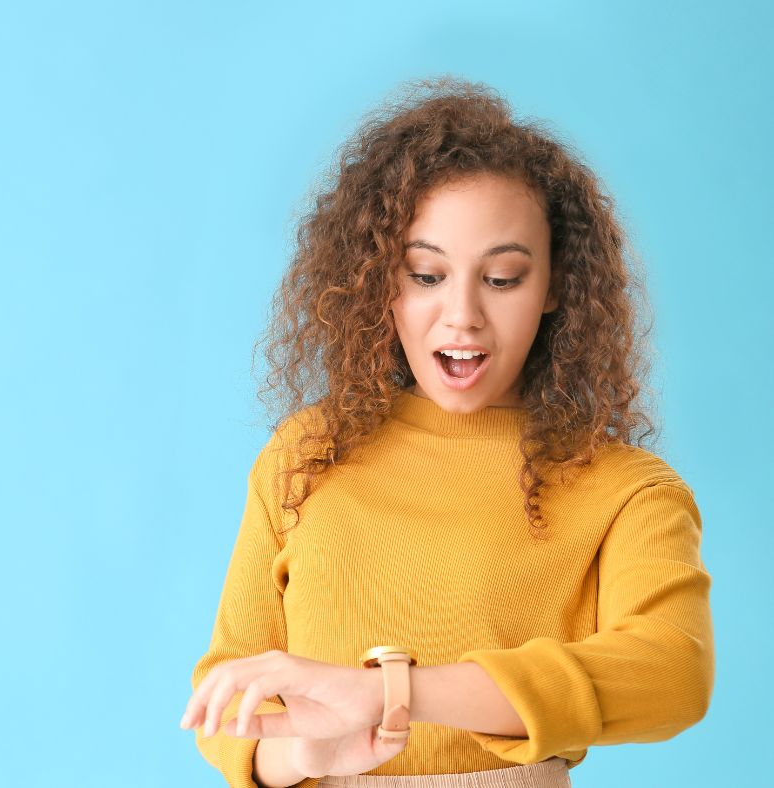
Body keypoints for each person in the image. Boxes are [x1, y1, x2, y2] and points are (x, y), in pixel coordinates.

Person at [178, 76, 715, 788]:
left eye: (502, 279)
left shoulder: (625, 490)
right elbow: (230, 689)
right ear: (380, 281)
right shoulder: (308, 455)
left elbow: (671, 672)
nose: (461, 316)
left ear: (556, 286)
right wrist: (303, 754)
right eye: (427, 275)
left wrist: (391, 693)